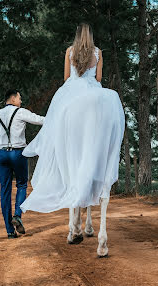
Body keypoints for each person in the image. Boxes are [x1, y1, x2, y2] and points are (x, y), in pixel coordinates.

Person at [20, 23, 125, 213]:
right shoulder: (98, 52)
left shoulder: (69, 51)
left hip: (71, 91)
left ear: (76, 35)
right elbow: (99, 78)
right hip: (94, 91)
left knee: (55, 125)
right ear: (91, 36)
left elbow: (67, 77)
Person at [0, 90, 44, 238]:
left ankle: (9, 231)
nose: (21, 101)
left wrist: (3, 140)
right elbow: (40, 120)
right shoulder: (20, 112)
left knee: (4, 190)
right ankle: (17, 216)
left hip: (2, 154)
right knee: (22, 185)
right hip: (18, 153)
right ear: (12, 99)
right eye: (20, 98)